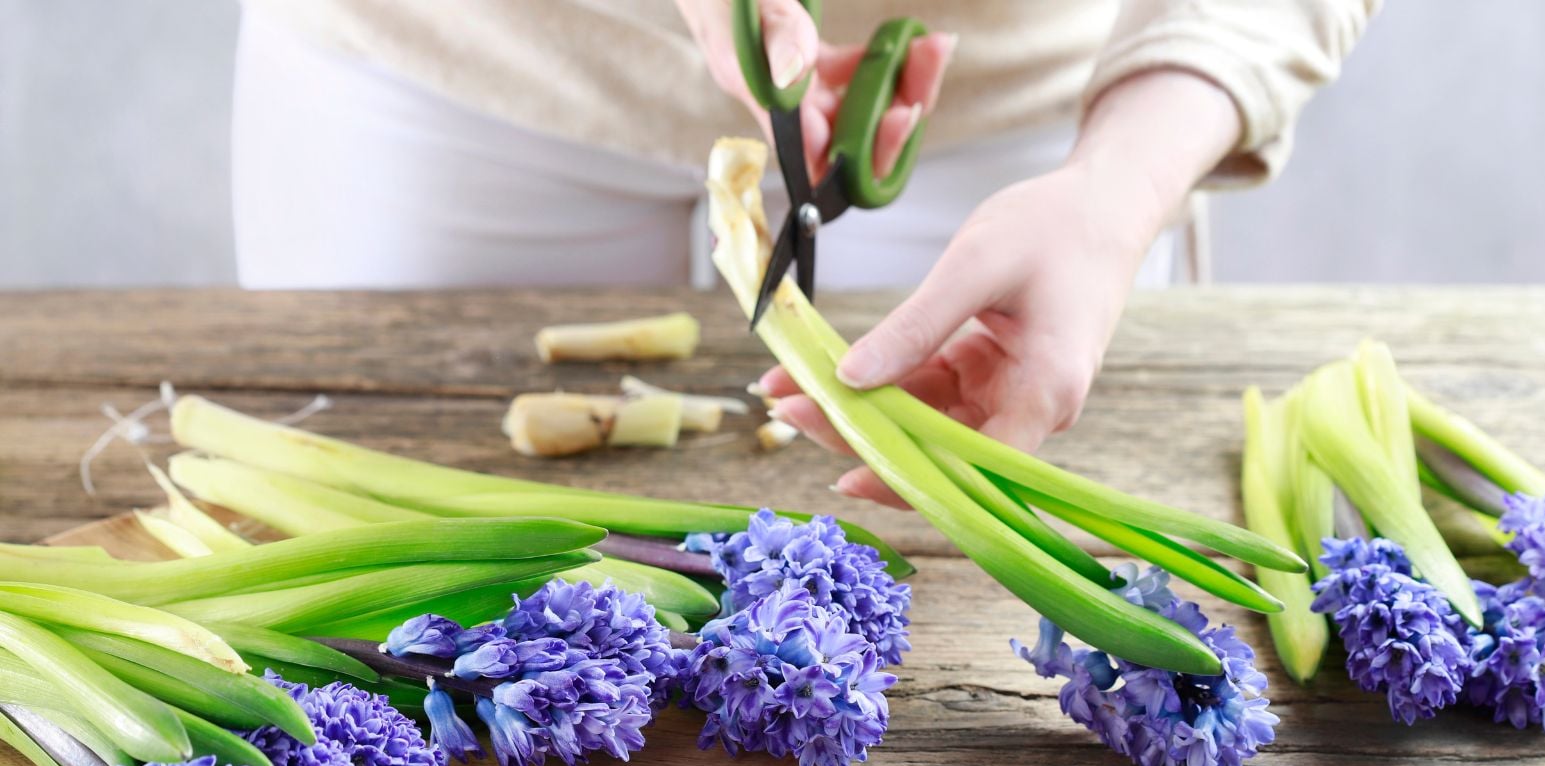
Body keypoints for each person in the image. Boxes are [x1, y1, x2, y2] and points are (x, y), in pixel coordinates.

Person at [233, 0, 1375, 506]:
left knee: (953, 479)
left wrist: (1115, 190)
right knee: (405, 460)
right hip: (458, 49)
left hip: (1023, 89)